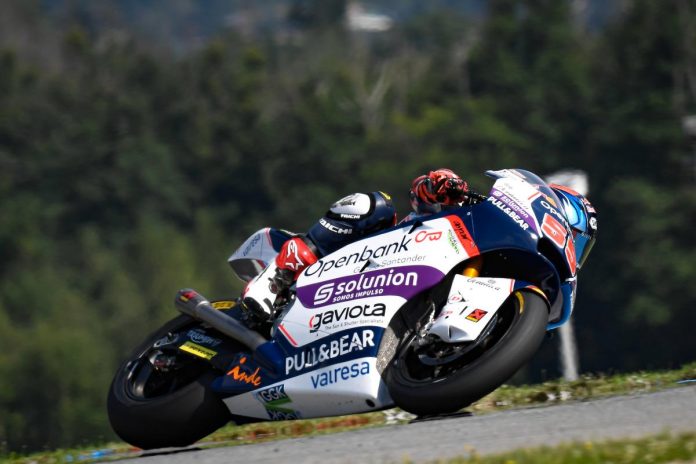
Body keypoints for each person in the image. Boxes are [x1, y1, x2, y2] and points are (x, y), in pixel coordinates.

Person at [241, 169, 469, 322]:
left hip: (383, 310)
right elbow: (423, 186)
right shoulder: (427, 220)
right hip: (367, 266)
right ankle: (274, 283)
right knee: (377, 204)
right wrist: (443, 183)